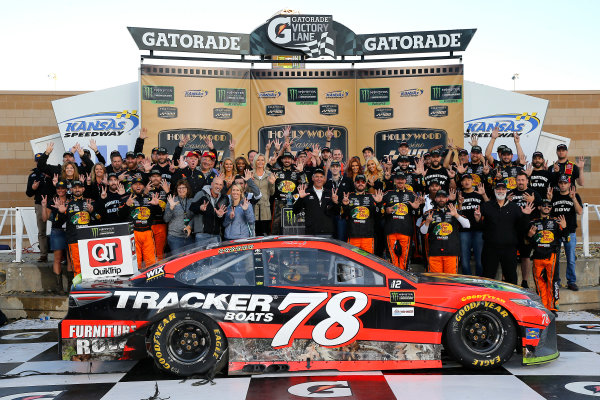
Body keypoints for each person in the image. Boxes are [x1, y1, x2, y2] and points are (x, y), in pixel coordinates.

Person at [475, 181, 533, 284]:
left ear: (506, 191)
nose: (500, 191)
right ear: (494, 191)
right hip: (490, 248)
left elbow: (522, 228)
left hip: (509, 249)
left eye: (503, 189)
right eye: (498, 189)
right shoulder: (486, 206)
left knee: (511, 277)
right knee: (488, 277)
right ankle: (488, 299)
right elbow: (481, 227)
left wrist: (525, 215)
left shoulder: (515, 207)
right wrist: (478, 220)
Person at [527, 199, 568, 312]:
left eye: (549, 206)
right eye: (544, 205)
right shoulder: (533, 222)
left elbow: (566, 238)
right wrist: (530, 235)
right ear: (539, 207)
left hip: (551, 256)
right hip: (537, 256)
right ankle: (543, 307)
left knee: (552, 282)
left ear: (551, 208)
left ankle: (553, 308)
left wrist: (564, 228)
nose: (546, 207)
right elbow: (526, 242)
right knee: (539, 283)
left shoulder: (556, 222)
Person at [58, 180, 101, 279]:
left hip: (88, 240)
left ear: (83, 189)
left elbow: (99, 219)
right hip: (73, 239)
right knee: (76, 266)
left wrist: (92, 212)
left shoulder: (90, 202)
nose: (77, 189)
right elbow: (59, 223)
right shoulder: (67, 204)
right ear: (71, 189)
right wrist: (61, 212)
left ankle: (89, 289)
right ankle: (78, 289)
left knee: (90, 265)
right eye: (75, 187)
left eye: (79, 187)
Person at [420, 190, 470, 274]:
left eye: (443, 197)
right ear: (435, 199)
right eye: (439, 197)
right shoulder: (429, 213)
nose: (441, 199)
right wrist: (427, 222)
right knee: (435, 281)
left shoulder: (453, 210)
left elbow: (467, 225)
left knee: (450, 282)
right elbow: (423, 232)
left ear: (447, 199)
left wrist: (456, 215)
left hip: (451, 252)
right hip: (434, 253)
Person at [382, 172, 423, 269]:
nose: (400, 181)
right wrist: (385, 210)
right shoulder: (388, 193)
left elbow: (418, 214)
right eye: (398, 179)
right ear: (395, 180)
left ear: (405, 180)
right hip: (390, 230)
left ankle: (403, 279)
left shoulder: (411, 194)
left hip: (405, 230)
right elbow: (379, 211)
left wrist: (417, 208)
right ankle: (394, 278)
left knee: (405, 258)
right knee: (391, 259)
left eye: (402, 179)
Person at [508, 171, 542, 288]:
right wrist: (507, 202)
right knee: (510, 255)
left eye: (523, 180)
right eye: (518, 180)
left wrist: (534, 201)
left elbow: (542, 209)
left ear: (527, 181)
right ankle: (508, 280)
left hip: (527, 230)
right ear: (515, 181)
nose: (520, 182)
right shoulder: (510, 193)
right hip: (512, 229)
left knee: (525, 256)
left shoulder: (534, 193)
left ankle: (525, 281)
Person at [119, 177, 162, 269]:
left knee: (151, 261)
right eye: (135, 184)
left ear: (144, 186)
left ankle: (151, 280)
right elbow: (120, 216)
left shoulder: (150, 198)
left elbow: (159, 214)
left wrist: (157, 205)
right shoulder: (126, 198)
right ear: (131, 186)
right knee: (135, 260)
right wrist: (127, 205)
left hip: (147, 232)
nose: (138, 186)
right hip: (133, 233)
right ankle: (136, 280)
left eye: (140, 184)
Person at [550, 174, 583, 291]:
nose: (563, 185)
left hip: (570, 232)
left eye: (565, 183)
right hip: (556, 232)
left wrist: (573, 198)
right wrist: (549, 200)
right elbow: (549, 214)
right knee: (555, 258)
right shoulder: (554, 196)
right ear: (558, 184)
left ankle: (571, 281)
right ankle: (556, 281)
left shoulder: (575, 196)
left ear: (569, 184)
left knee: (571, 258)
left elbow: (579, 212)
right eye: (561, 183)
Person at [342, 174, 383, 253]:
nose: (360, 183)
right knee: (352, 262)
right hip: (353, 236)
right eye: (358, 182)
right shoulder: (348, 197)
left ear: (366, 183)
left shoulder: (372, 197)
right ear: (354, 183)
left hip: (368, 237)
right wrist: (345, 205)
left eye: (363, 182)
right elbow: (344, 216)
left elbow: (378, 216)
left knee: (367, 262)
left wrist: (378, 203)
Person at [293, 168, 338, 237]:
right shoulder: (306, 193)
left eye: (321, 177)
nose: (319, 179)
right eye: (316, 176)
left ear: (324, 179)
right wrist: (300, 198)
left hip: (327, 231)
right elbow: (295, 211)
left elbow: (336, 212)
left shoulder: (330, 193)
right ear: (312, 178)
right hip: (311, 232)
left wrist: (335, 202)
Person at [41, 181, 69, 293]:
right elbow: (44, 218)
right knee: (57, 259)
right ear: (56, 190)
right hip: (57, 231)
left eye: (63, 188)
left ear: (66, 189)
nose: (60, 190)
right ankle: (59, 287)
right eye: (58, 188)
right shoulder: (52, 201)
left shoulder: (71, 200)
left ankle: (72, 286)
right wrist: (43, 206)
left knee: (70, 259)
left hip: (70, 231)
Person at [457, 174, 487, 275]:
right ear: (461, 183)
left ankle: (480, 284)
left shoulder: (479, 194)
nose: (466, 182)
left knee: (480, 261)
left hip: (478, 229)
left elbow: (490, 206)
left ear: (472, 181)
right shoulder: (459, 194)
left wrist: (483, 195)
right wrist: (460, 203)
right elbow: (457, 214)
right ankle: (468, 285)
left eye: (469, 180)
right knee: (465, 261)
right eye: (464, 180)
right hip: (464, 231)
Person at [270, 151, 304, 235]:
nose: (287, 160)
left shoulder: (296, 172)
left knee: (291, 225)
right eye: (285, 158)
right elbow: (264, 171)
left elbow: (305, 184)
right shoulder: (276, 171)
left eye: (289, 158)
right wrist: (270, 164)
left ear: (292, 160)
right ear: (281, 160)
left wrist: (301, 172)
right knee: (276, 226)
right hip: (278, 202)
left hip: (292, 203)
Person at [189, 176, 229, 246]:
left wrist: (220, 215)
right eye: (216, 184)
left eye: (220, 185)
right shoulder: (201, 194)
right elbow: (191, 209)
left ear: (222, 187)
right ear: (212, 184)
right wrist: (200, 208)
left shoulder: (224, 198)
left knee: (216, 257)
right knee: (202, 256)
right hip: (202, 235)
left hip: (216, 235)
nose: (218, 186)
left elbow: (222, 219)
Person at [26, 153, 51, 263]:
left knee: (59, 229)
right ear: (35, 161)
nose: (38, 162)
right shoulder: (32, 176)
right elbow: (28, 193)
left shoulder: (50, 172)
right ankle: (43, 255)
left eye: (40, 160)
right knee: (42, 231)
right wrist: (33, 188)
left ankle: (63, 254)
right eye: (37, 160)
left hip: (53, 204)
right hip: (40, 204)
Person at [325, 161, 353, 241]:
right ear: (330, 169)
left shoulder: (348, 180)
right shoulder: (327, 183)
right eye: (333, 166)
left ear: (340, 168)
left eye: (336, 166)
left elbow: (353, 194)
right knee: (333, 240)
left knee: (342, 240)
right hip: (332, 215)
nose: (335, 168)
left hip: (344, 215)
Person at [164, 180, 194, 254]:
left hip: (188, 237)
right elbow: (166, 219)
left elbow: (195, 217)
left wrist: (189, 226)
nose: (181, 190)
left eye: (183, 188)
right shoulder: (172, 200)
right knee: (178, 261)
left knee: (189, 261)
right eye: (179, 188)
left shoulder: (191, 201)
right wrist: (171, 208)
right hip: (175, 237)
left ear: (187, 189)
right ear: (176, 189)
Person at [147, 169, 169, 260]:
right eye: (153, 176)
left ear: (161, 178)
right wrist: (144, 193)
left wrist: (168, 192)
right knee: (149, 252)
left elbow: (172, 204)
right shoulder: (146, 189)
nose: (156, 178)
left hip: (162, 224)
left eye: (157, 176)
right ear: (150, 178)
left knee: (160, 252)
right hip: (148, 225)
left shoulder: (166, 189)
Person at [252, 153, 275, 237]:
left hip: (265, 208)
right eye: (258, 160)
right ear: (255, 161)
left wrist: (272, 184)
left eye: (262, 160)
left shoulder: (269, 174)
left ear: (265, 161)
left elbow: (272, 192)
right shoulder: (250, 174)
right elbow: (247, 192)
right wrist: (249, 182)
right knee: (254, 235)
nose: (260, 162)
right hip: (253, 208)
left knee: (265, 234)